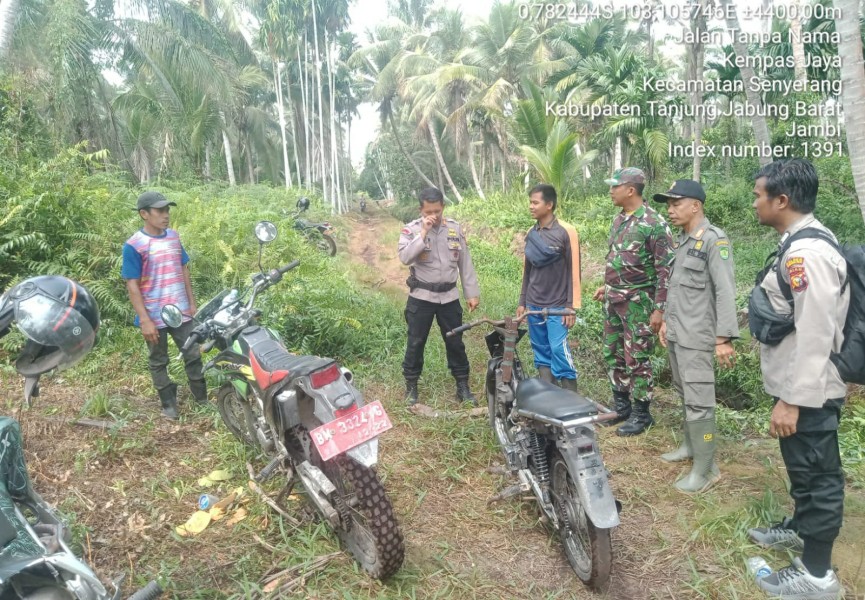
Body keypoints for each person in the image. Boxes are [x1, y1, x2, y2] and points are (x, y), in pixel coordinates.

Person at [746, 159, 846, 599]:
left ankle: (817, 576)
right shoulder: (797, 242)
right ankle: (801, 531)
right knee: (804, 470)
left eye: (757, 195)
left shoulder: (808, 253)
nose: (754, 202)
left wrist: (793, 400)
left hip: (811, 392)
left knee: (819, 476)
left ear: (781, 200)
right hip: (801, 387)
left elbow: (816, 332)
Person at [653, 180, 738, 493]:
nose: (670, 210)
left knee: (700, 402)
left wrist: (723, 338)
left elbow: (725, 291)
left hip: (699, 337)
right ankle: (691, 448)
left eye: (676, 203)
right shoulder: (684, 240)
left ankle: (705, 470)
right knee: (685, 393)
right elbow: (678, 289)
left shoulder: (714, 240)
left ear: (696, 206)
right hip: (678, 333)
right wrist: (665, 323)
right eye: (668, 204)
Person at [592, 167, 674, 436]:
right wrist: (607, 286)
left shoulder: (654, 224)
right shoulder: (619, 220)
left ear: (630, 190)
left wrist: (659, 309)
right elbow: (618, 258)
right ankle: (622, 407)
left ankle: (642, 414)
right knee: (613, 352)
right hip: (614, 299)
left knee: (637, 357)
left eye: (614, 186)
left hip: (639, 302)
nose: (610, 190)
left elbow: (665, 270)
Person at [121, 191, 208, 420]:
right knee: (158, 360)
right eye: (160, 211)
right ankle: (168, 404)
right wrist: (145, 320)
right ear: (144, 214)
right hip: (153, 315)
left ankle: (201, 399)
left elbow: (184, 269)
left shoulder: (173, 237)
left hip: (181, 311)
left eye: (167, 210)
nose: (166, 215)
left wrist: (191, 302)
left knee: (192, 353)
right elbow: (132, 284)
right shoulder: (134, 245)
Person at [397, 187, 480, 405]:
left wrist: (471, 293)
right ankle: (411, 386)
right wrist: (422, 233)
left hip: (449, 298)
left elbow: (465, 262)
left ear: (443, 207)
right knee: (416, 342)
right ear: (420, 210)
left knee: (456, 343)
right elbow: (405, 258)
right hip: (421, 297)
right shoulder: (411, 230)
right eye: (428, 212)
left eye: (437, 210)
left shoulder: (454, 228)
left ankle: (462, 386)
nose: (433, 215)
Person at [517, 184, 581, 391]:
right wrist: (522, 302)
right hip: (534, 303)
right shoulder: (531, 232)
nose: (531, 207)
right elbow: (527, 271)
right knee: (541, 350)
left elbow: (575, 271)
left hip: (557, 306)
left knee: (558, 349)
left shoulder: (566, 231)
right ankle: (548, 395)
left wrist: (571, 306)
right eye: (530, 202)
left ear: (549, 205)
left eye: (535, 202)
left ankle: (571, 397)